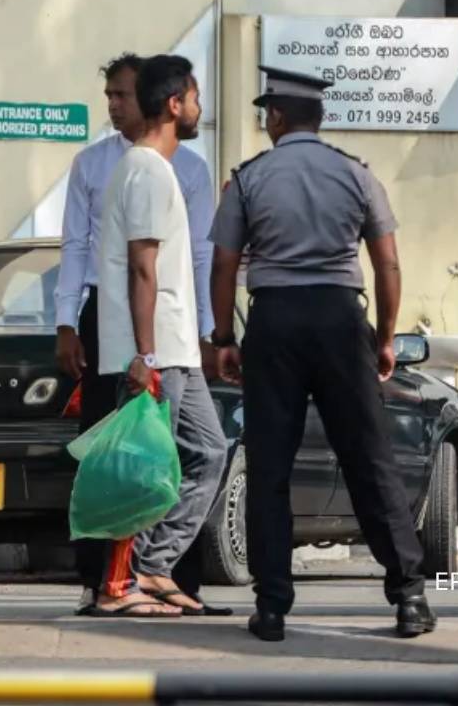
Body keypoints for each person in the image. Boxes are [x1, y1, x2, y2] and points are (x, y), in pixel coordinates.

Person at [209, 65, 436, 642]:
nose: (264, 124)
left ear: (278, 117)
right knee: (368, 456)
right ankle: (409, 598)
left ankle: (272, 608)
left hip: (276, 321)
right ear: (321, 117)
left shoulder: (249, 179)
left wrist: (224, 338)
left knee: (270, 466)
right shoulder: (357, 176)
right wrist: (383, 338)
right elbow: (387, 264)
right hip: (340, 318)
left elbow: (224, 265)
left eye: (266, 115)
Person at [56, 54, 225, 617]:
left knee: (207, 451)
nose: (200, 108)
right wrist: (144, 355)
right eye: (195, 97)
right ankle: (118, 586)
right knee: (145, 467)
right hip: (156, 349)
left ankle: (152, 566)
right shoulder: (149, 170)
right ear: (175, 104)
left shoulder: (154, 167)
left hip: (177, 346)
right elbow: (142, 268)